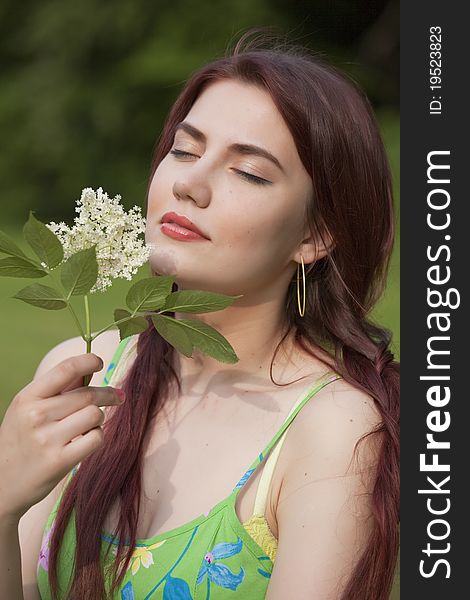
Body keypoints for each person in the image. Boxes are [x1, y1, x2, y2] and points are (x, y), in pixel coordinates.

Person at [0, 29, 399, 599]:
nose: (189, 183)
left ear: (315, 235)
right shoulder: (88, 370)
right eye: (184, 151)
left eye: (249, 172)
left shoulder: (333, 430)